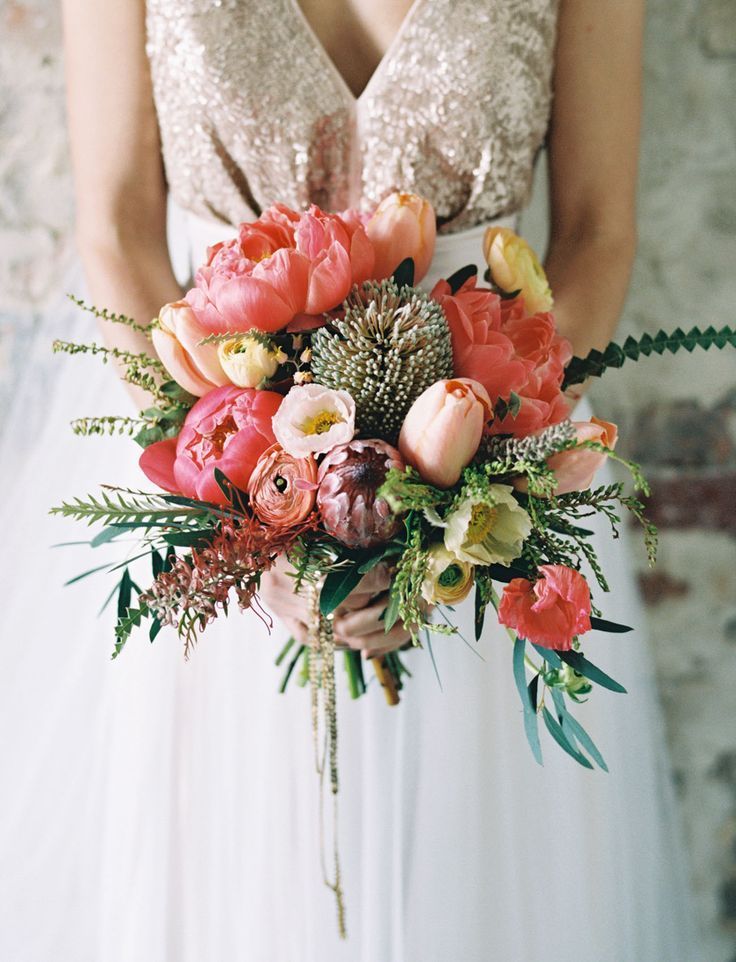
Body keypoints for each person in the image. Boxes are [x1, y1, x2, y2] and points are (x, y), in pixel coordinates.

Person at [0, 1, 700, 960]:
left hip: (488, 498)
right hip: (218, 480)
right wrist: (250, 519)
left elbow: (595, 233)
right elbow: (115, 229)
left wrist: (461, 492)